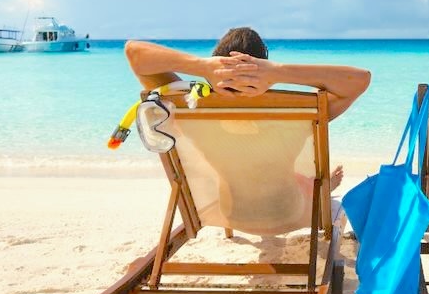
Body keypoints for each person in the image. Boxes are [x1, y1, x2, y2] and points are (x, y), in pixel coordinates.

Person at [124, 27, 371, 191]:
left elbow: (134, 52)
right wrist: (278, 72)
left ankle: (308, 184)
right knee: (334, 210)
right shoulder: (297, 112)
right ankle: (318, 188)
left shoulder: (190, 106)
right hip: (290, 209)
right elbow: (360, 80)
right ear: (263, 63)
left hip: (227, 209)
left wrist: (201, 66)